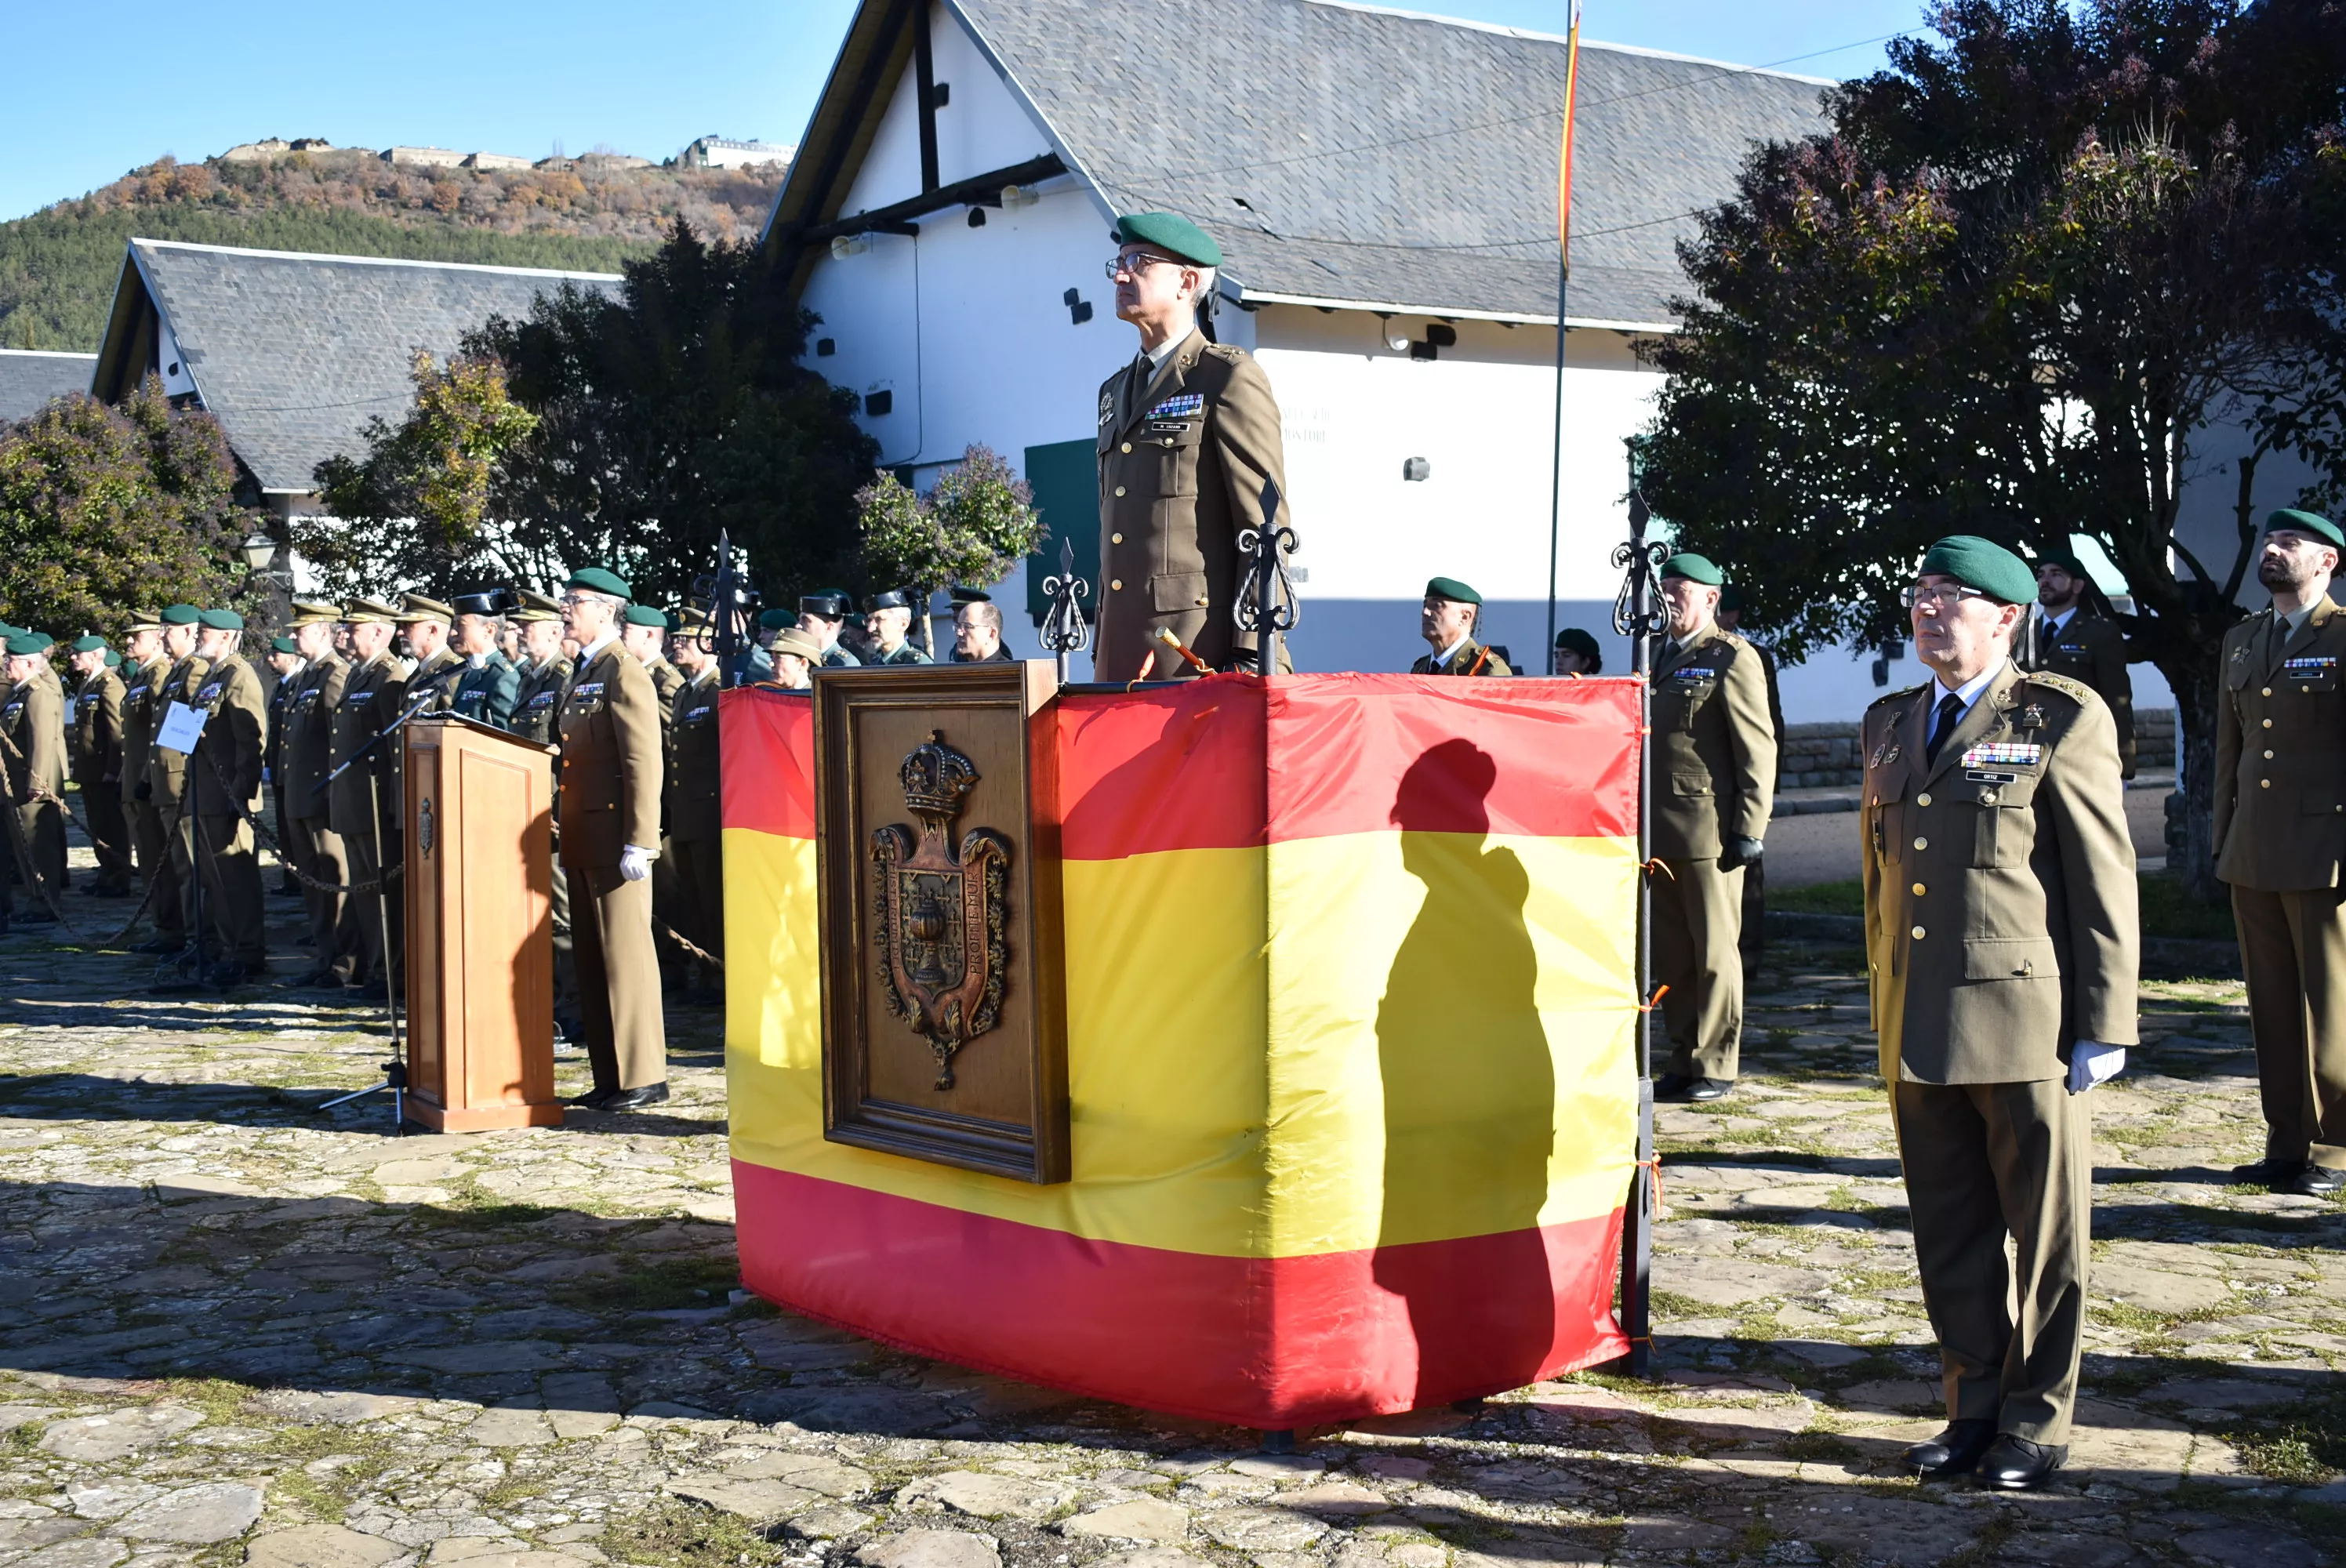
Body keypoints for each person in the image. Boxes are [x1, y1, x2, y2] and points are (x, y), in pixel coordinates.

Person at [1860, 534, 2137, 1492]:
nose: (1928, 610)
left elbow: (2102, 877)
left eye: (1952, 597)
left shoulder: (2059, 715)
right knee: (1950, 1231)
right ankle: (1971, 1405)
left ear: (2006, 617)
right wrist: (1882, 1004)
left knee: (2047, 1235)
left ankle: (2036, 1420)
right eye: (1920, 592)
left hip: (2028, 1023)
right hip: (1920, 1020)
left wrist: (2105, 1020)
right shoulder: (1890, 722)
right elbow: (1878, 886)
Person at [1095, 212, 1292, 681]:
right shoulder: (1114, 390)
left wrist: (1250, 653)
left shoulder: (1225, 377)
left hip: (1196, 657)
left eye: (1139, 262)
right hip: (1119, 659)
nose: (1121, 274)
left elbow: (1263, 529)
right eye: (1118, 262)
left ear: (1187, 282)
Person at [2215, 509, 2346, 1198]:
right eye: (2269, 539)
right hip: (2254, 849)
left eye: (2290, 542)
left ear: (2327, 562)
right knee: (2270, 1005)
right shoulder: (2242, 640)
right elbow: (2228, 755)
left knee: (2332, 1006)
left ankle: (2333, 1150)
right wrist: (2221, 840)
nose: (2272, 549)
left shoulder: (2343, 636)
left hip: (2326, 851)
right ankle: (2285, 1142)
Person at [1648, 554, 1778, 1102]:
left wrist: (1751, 824)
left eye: (1683, 589)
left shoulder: (1731, 656)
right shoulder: (1658, 652)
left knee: (1714, 951)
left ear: (1711, 599)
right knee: (1671, 952)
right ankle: (1682, 1055)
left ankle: (1717, 1063)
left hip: (1709, 829)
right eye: (1666, 587)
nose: (1671, 596)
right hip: (1657, 828)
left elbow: (1757, 745)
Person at [557, 567, 668, 1110]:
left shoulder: (624, 671)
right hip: (582, 835)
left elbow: (644, 760)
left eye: (574, 601)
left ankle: (644, 1073)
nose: (564, 609)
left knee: (626, 958)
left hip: (615, 838)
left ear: (606, 610)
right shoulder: (581, 670)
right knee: (594, 960)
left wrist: (641, 840)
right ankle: (611, 1075)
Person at [329, 597, 412, 998]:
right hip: (354, 802)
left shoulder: (388, 677)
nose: (343, 634)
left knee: (386, 895)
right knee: (365, 894)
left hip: (376, 803)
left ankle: (390, 974)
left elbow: (394, 748)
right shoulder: (357, 674)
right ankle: (374, 968)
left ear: (379, 632)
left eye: (352, 628)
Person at [183, 609, 269, 986]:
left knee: (236, 877)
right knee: (218, 880)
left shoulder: (238, 675)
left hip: (228, 795)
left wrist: (241, 794)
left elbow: (250, 742)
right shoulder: (212, 677)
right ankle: (228, 945)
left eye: (207, 632)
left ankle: (246, 951)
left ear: (229, 637)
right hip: (206, 791)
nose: (200, 637)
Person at [280, 601, 353, 989]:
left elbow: (337, 741)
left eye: (300, 630)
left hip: (322, 798)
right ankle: (326, 957)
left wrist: (332, 792)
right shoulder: (307, 675)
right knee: (312, 882)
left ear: (323, 633)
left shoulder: (334, 674)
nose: (292, 636)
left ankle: (344, 961)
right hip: (300, 797)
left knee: (333, 879)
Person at [1717, 586, 1787, 963]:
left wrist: (1765, 788)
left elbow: (1769, 723)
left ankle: (1750, 951)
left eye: (1724, 613)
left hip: (1742, 780)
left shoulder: (1751, 656)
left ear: (1734, 616)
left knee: (1748, 869)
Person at [2024, 550, 2136, 779]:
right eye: (2041, 574)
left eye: (2056, 574)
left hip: (2079, 751)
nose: (2045, 580)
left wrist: (2123, 764)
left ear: (2077, 586)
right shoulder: (2021, 633)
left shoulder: (2099, 633)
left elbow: (2117, 699)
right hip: (2028, 750)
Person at [143, 604, 212, 956]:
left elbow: (193, 727)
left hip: (181, 782)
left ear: (188, 632)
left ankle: (198, 937)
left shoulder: (195, 670)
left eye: (167, 630)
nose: (161, 637)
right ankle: (185, 933)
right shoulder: (177, 671)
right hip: (165, 781)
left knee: (191, 867)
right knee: (177, 865)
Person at [667, 609, 724, 1000]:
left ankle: (721, 976)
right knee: (694, 899)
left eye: (686, 640)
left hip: (709, 811)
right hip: (685, 810)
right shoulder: (686, 692)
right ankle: (705, 972)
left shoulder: (719, 689)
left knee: (714, 898)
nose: (678, 645)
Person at [2, 632, 68, 920]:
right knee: (24, 846)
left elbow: (42, 742)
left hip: (32, 785)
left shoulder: (38, 693)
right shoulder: (20, 692)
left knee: (38, 846)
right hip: (15, 781)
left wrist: (37, 783)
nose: (5, 664)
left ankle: (46, 903)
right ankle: (35, 900)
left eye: (10, 660)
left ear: (29, 664)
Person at [118, 612, 176, 940]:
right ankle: (161, 923)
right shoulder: (142, 676)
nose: (129, 641)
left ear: (156, 639)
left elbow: (161, 733)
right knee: (149, 857)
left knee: (160, 860)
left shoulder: (159, 675)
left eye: (136, 636)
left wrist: (145, 777)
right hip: (137, 779)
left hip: (151, 781)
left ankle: (170, 927)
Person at [66, 636, 131, 896]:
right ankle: (106, 873)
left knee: (112, 826)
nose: (73, 657)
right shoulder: (89, 684)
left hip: (105, 770)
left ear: (95, 656)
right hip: (90, 770)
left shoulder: (110, 685)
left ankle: (119, 878)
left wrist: (114, 769)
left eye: (78, 654)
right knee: (97, 825)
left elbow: (117, 732)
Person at [264, 635, 305, 896]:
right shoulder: (282, 687)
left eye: (275, 655)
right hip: (280, 766)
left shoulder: (298, 684)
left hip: (295, 769)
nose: (270, 659)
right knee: (285, 827)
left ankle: (300, 880)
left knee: (296, 831)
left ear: (290, 657)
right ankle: (292, 878)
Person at [509, 592, 574, 746]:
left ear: (554, 632)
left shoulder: (564, 677)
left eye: (526, 625)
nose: (518, 631)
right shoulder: (527, 676)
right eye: (519, 625)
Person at [1410, 578, 1512, 675]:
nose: (1425, 612)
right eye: (1425, 605)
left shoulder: (1485, 669)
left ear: (1464, 617)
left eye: (1437, 606)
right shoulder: (1420, 668)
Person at [450, 597, 521, 728]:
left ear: (489, 630)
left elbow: (507, 736)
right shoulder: (469, 669)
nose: (453, 632)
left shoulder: (502, 676)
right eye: (454, 625)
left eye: (461, 624)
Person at [398, 594, 464, 716]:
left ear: (432, 631)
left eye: (408, 626)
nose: (400, 633)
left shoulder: (453, 670)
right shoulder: (418, 673)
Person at [863, 590, 933, 665]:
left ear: (903, 624)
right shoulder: (875, 663)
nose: (870, 628)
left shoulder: (917, 664)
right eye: (869, 620)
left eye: (879, 620)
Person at [797, 591, 862, 668]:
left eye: (806, 621)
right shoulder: (801, 658)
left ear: (829, 627)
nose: (798, 625)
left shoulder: (845, 665)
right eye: (800, 619)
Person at [953, 597, 1017, 662]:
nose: (959, 633)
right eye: (958, 626)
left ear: (992, 634)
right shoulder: (958, 668)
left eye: (967, 626)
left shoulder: (1005, 670)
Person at [763, 626, 822, 690]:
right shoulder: (772, 694)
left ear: (803, 664)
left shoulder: (821, 698)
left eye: (779, 658)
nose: (770, 664)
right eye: (771, 657)